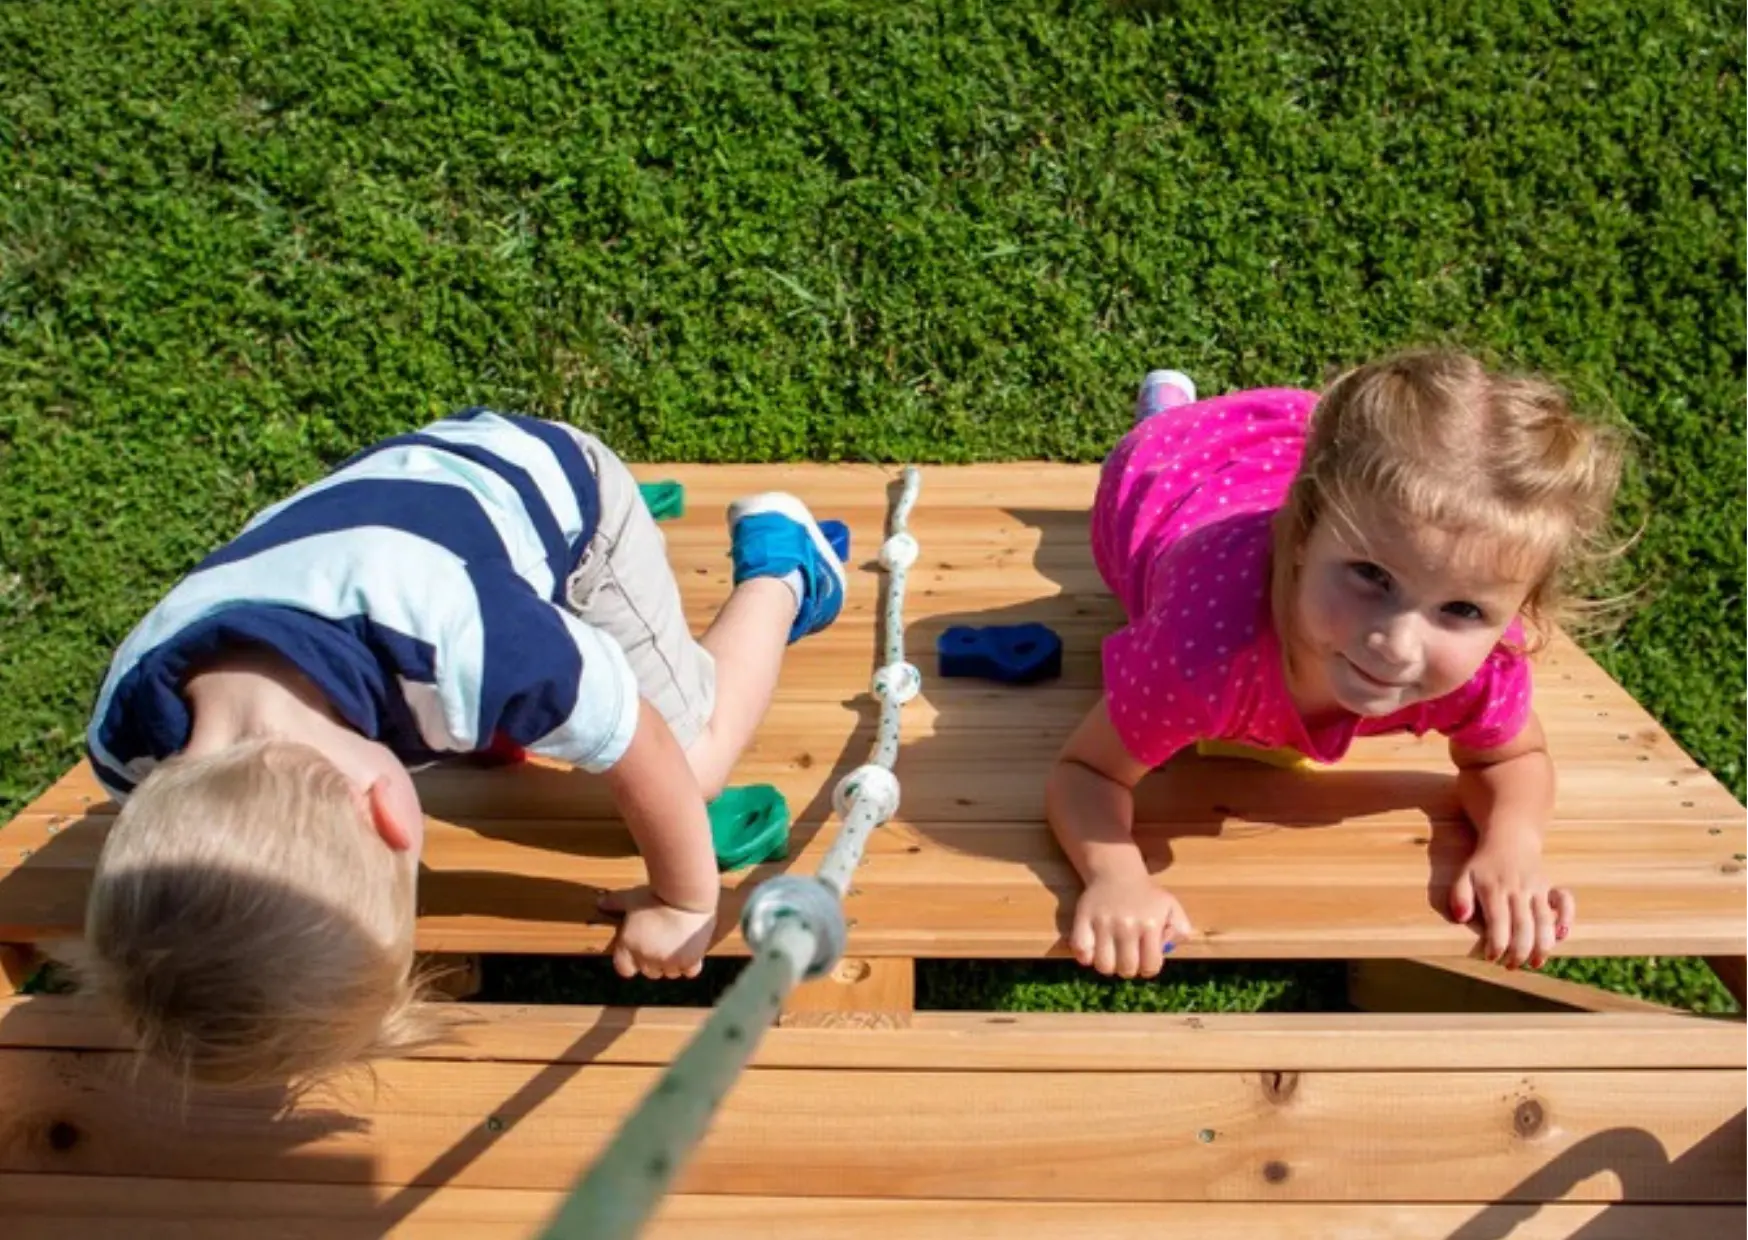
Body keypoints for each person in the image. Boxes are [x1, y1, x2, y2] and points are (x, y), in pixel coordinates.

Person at [74, 408, 845, 1085]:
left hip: (570, 504)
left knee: (695, 757)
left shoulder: (474, 644)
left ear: (392, 813)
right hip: (396, 508)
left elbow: (641, 742)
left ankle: (783, 566)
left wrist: (684, 898)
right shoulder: (124, 740)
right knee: (506, 705)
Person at [1048, 351, 1624, 979]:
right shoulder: (1203, 648)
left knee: (1353, 472)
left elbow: (1513, 758)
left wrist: (1512, 846)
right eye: (1371, 577)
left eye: (1461, 608)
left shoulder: (1486, 660)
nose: (1398, 644)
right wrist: (1117, 878)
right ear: (1297, 536)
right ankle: (1168, 411)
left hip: (1308, 458)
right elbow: (1087, 772)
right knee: (1157, 451)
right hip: (1172, 471)